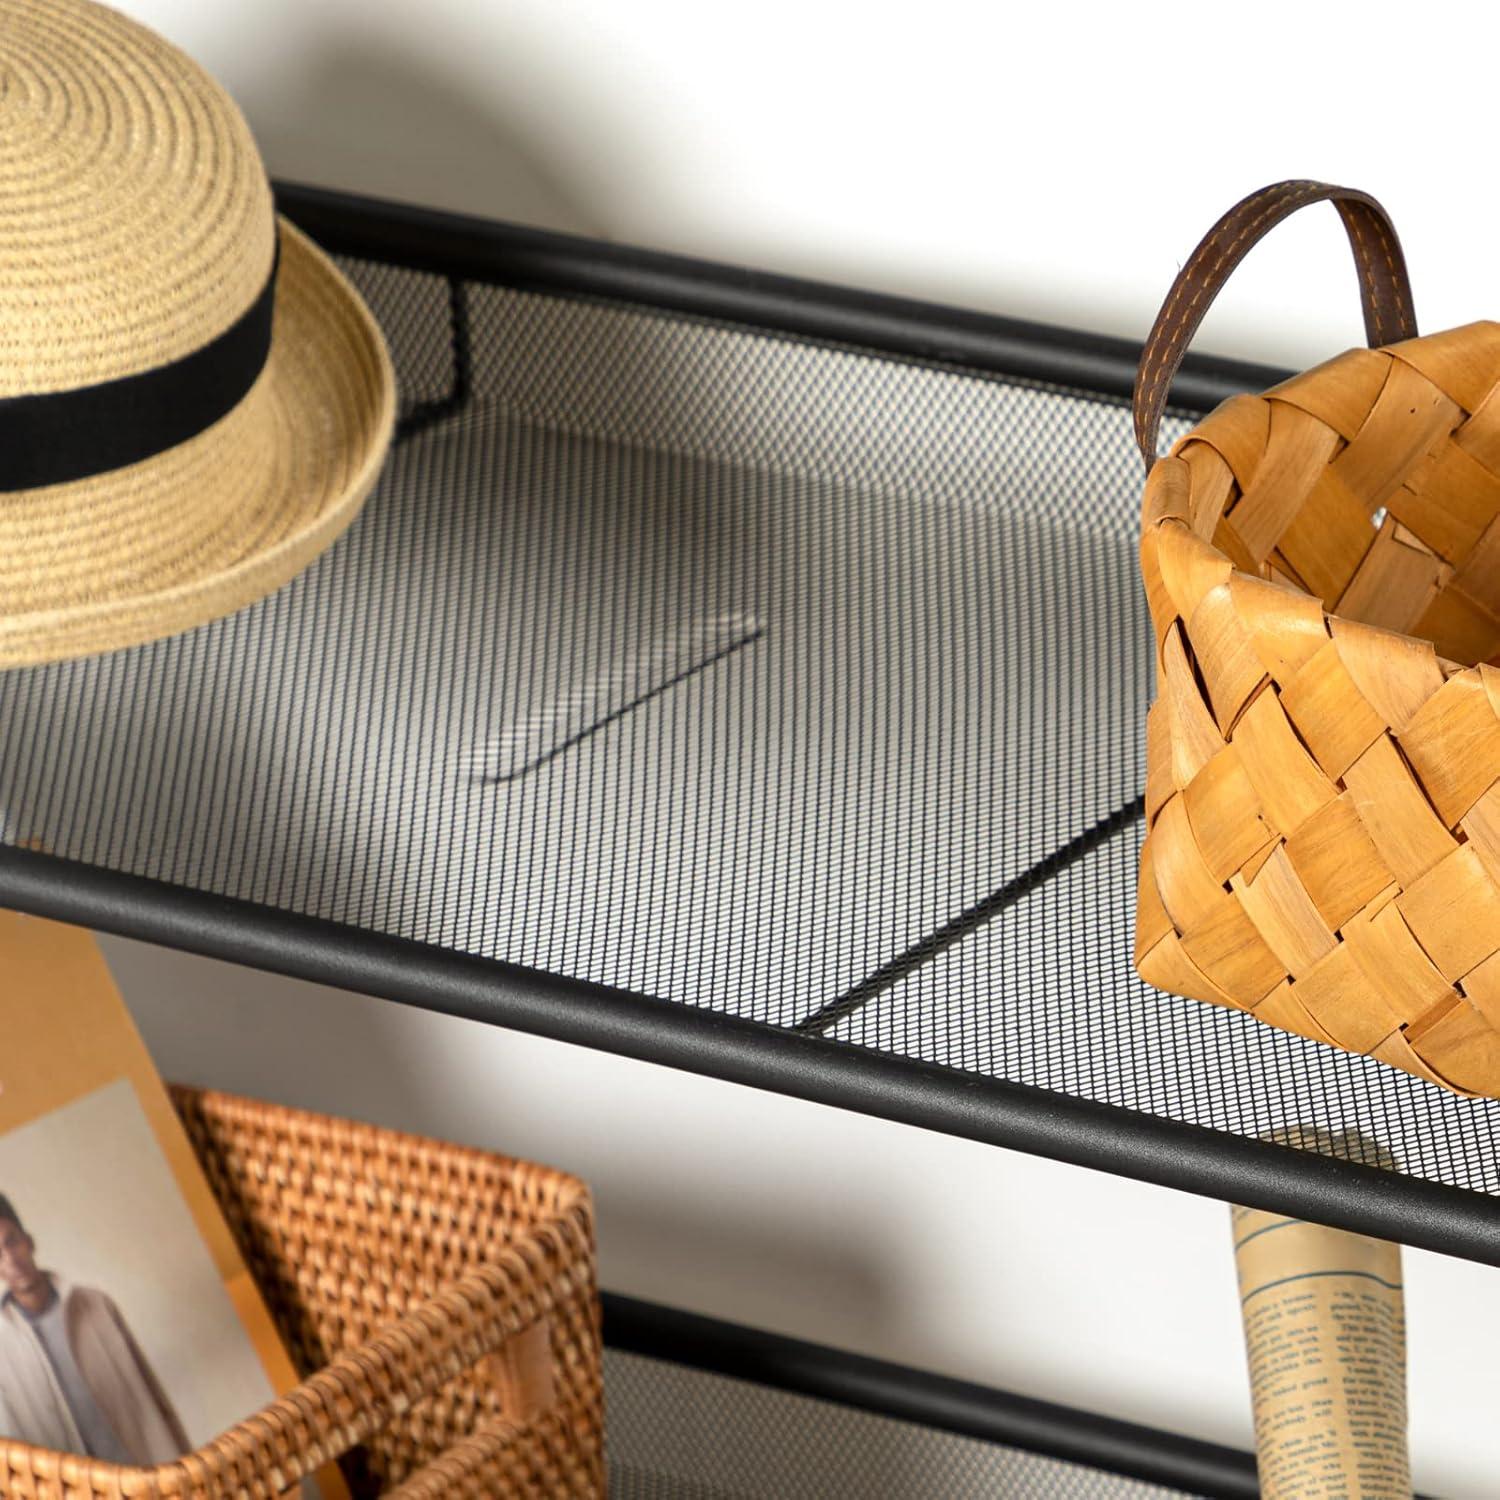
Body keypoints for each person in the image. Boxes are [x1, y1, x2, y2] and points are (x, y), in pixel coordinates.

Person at [0, 1193, 190, 1465]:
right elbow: (18, 1451)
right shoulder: (3, 1348)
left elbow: (152, 1395)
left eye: (12, 1242)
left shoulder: (95, 1306)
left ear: (28, 1242)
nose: (10, 1260)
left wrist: (183, 1464)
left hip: (144, 1473)